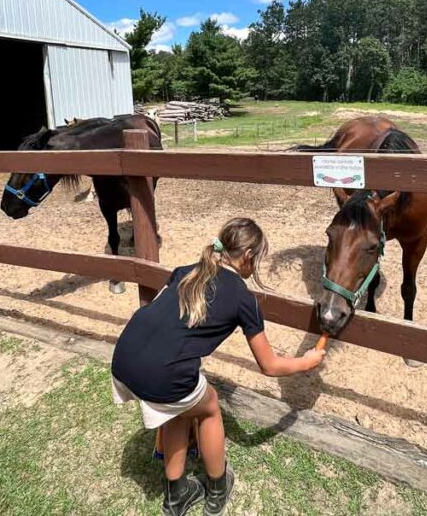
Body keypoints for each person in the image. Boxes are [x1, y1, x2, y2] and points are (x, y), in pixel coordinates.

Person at [111, 218, 325, 516]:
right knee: (209, 407)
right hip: (161, 375)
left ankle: (176, 498)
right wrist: (307, 361)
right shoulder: (242, 297)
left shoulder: (186, 271)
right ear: (248, 257)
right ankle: (217, 489)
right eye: (258, 259)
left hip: (123, 357)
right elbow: (270, 365)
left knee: (180, 408)